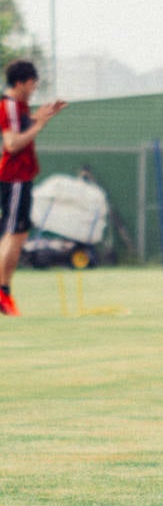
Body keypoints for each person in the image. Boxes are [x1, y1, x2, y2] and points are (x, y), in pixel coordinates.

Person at [0, 59, 68, 316]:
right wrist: (39, 124)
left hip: (23, 176)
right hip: (15, 177)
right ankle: (2, 291)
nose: (33, 90)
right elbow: (12, 143)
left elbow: (22, 126)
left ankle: (5, 292)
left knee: (18, 235)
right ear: (20, 83)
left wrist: (42, 116)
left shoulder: (19, 106)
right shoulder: (9, 105)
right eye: (31, 85)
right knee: (12, 234)